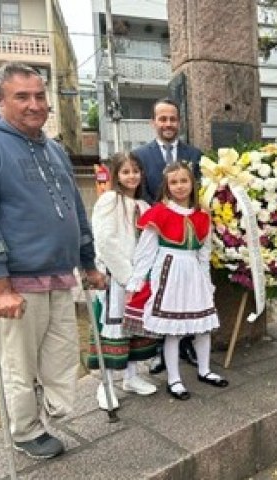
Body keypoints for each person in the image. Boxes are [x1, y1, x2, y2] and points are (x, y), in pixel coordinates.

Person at [0, 62, 106, 459]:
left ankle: (48, 412)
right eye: (22, 96)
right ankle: (25, 430)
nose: (35, 105)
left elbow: (74, 210)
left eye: (39, 96)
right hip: (16, 281)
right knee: (19, 363)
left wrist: (87, 263)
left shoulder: (52, 147)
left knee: (61, 355)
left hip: (60, 275)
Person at [125, 162, 228, 401]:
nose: (179, 186)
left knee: (203, 326)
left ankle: (205, 369)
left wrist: (207, 280)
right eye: (174, 182)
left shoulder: (202, 214)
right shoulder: (159, 213)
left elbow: (204, 252)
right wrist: (136, 281)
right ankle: (174, 379)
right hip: (170, 271)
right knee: (173, 331)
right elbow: (146, 251)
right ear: (166, 186)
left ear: (192, 183)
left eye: (184, 181)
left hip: (194, 272)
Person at [132, 98, 202, 372]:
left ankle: (187, 344)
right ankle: (161, 349)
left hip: (186, 237)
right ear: (153, 123)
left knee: (186, 292)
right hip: (158, 234)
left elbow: (199, 191)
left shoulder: (195, 155)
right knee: (161, 294)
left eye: (172, 119)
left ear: (179, 122)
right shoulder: (140, 155)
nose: (168, 124)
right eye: (162, 119)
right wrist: (164, 214)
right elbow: (141, 191)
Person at [87, 152, 158, 410]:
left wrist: (143, 276)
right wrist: (127, 277)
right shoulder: (109, 200)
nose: (132, 176)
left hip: (139, 278)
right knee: (113, 326)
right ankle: (104, 385)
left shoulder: (144, 206)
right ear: (116, 175)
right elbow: (106, 241)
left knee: (134, 327)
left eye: (135, 171)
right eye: (126, 172)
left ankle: (131, 377)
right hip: (117, 278)